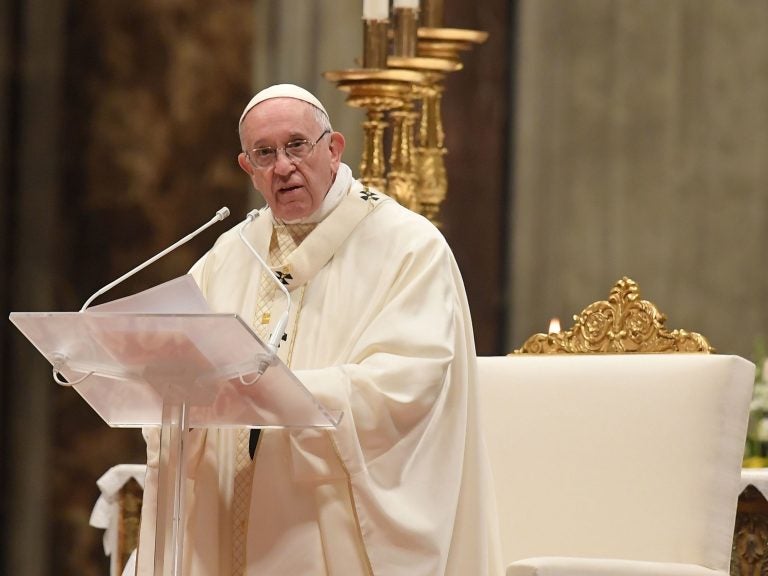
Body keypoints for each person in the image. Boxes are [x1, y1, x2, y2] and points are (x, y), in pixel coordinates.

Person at [136, 84, 502, 575]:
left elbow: (411, 381)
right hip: (232, 510)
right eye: (264, 153)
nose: (282, 165)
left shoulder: (408, 246)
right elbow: (182, 364)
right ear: (247, 168)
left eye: (297, 145)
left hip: (327, 518)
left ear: (333, 149)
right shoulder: (230, 253)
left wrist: (285, 393)